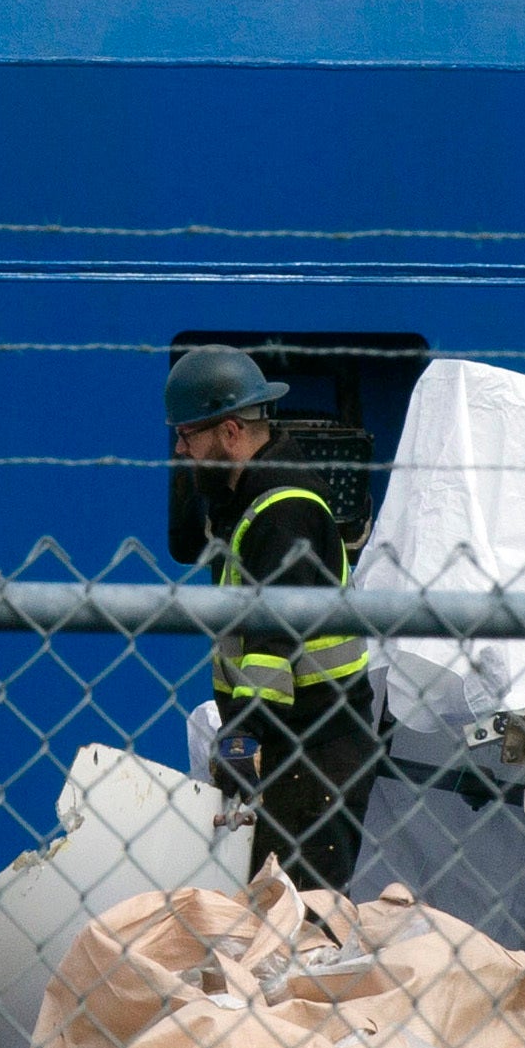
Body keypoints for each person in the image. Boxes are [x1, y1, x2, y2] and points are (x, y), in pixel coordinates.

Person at [164, 345, 381, 894]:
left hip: (315, 748)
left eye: (188, 435)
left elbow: (273, 638)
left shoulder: (285, 511)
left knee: (300, 914)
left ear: (231, 431)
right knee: (274, 910)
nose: (181, 449)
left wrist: (244, 736)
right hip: (295, 743)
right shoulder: (247, 499)